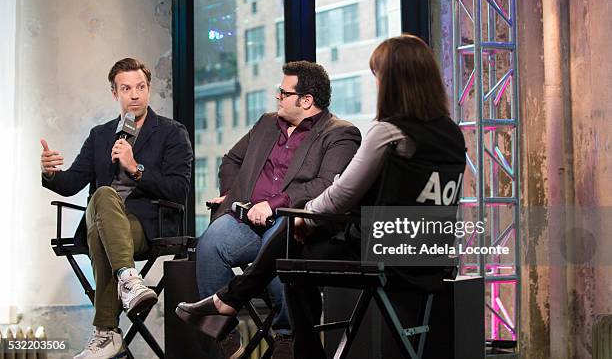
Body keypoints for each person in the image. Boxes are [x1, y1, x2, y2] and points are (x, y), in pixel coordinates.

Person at [177, 34, 466, 359]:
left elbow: (340, 193)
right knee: (286, 243)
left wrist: (303, 216)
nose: (377, 85)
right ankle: (236, 309)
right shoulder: (452, 134)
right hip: (430, 254)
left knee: (292, 244)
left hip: (384, 253)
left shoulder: (386, 132)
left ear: (395, 82)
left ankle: (248, 315)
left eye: (378, 77)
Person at [194, 60, 361, 358]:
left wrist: (272, 206)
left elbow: (324, 185)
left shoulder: (340, 134)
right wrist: (232, 194)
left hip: (292, 223)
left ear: (306, 100)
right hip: (245, 220)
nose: (277, 97)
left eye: (283, 92)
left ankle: (286, 338)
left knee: (280, 248)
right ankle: (225, 334)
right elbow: (231, 160)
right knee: (211, 244)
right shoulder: (266, 123)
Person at [41, 58, 193, 359]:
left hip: (147, 224)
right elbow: (72, 182)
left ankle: (106, 334)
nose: (134, 94)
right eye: (126, 88)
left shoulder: (172, 133)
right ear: (115, 93)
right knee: (103, 200)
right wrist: (49, 173)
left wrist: (136, 168)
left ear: (148, 90)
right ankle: (128, 280)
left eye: (141, 87)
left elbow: (178, 191)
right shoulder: (100, 135)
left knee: (101, 208)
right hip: (105, 224)